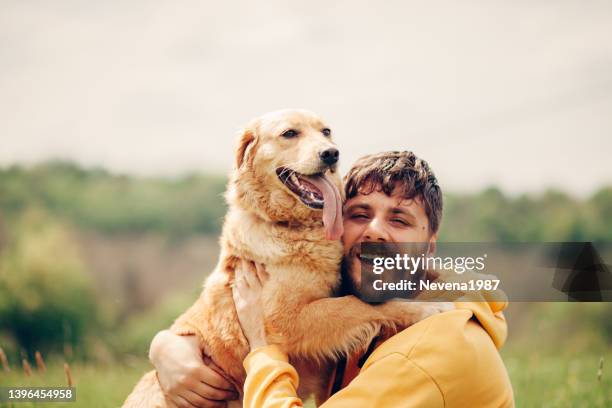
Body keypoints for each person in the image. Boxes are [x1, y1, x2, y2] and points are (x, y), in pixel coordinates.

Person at [149, 151, 515, 407]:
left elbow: (281, 328)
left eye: (399, 220)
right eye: (359, 214)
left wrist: (263, 347)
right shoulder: (353, 309)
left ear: (429, 245)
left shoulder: (430, 350)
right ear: (332, 224)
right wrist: (167, 346)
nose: (375, 232)